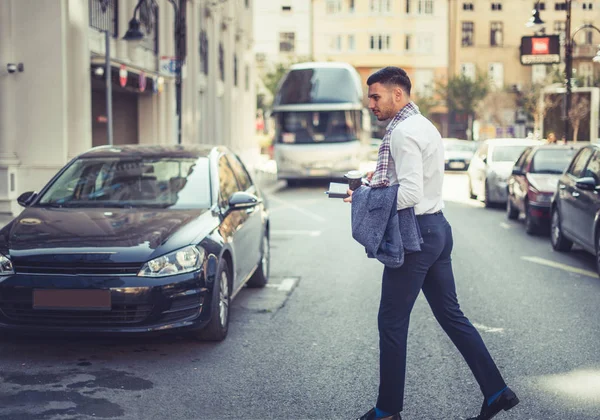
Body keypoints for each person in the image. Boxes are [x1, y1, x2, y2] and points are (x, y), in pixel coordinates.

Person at [343, 67, 518, 420]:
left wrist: (364, 197)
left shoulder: (403, 133)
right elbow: (406, 181)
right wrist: (370, 185)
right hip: (437, 229)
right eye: (369, 97)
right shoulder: (423, 125)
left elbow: (409, 192)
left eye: (376, 96)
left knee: (391, 322)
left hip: (416, 235)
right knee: (452, 316)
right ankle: (497, 391)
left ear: (398, 94)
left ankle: (387, 410)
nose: (370, 104)